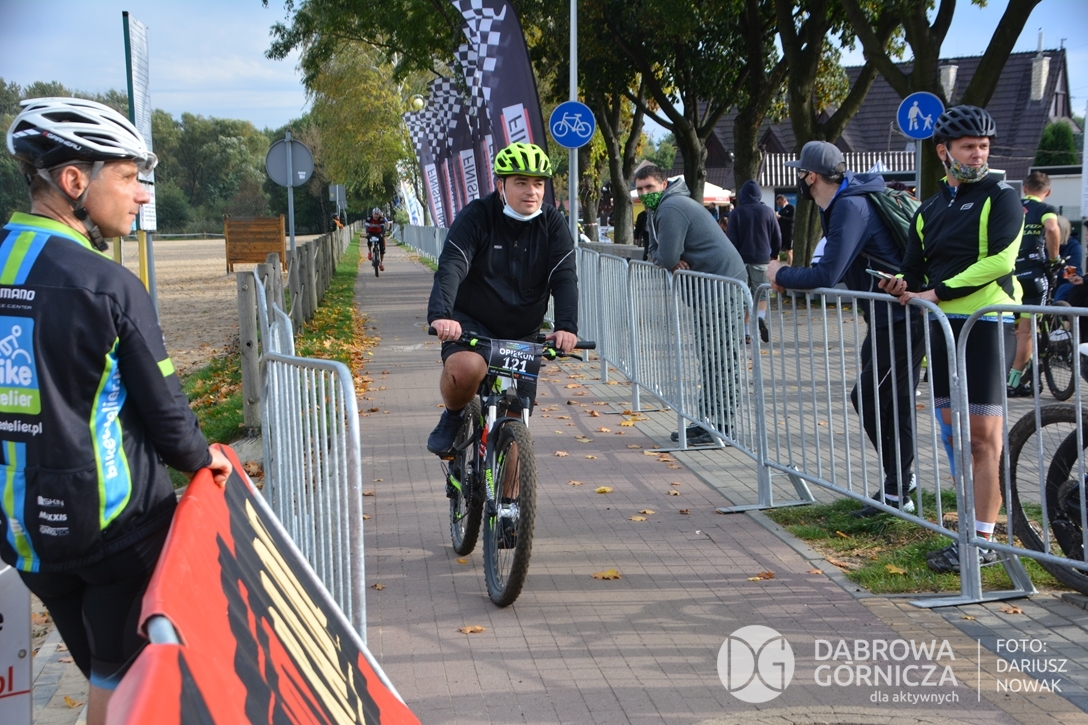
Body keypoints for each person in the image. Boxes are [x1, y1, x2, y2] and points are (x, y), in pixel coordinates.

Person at [3, 97, 232, 724]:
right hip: (115, 531)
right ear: (75, 181)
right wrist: (205, 458)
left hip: (24, 534)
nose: (141, 195)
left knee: (98, 672)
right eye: (128, 177)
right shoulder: (107, 284)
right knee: (121, 682)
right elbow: (169, 419)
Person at [880, 105, 1023, 574]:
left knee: (983, 439)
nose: (978, 154)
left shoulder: (1002, 197)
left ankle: (982, 543)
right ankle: (969, 533)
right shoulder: (928, 209)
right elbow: (914, 269)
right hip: (943, 327)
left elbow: (1000, 262)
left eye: (983, 146)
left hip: (986, 322)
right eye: (968, 147)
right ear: (944, 152)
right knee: (955, 437)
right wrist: (900, 284)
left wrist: (936, 293)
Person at [766, 141, 924, 517]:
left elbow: (826, 274)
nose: (799, 180)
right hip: (888, 319)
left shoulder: (849, 207)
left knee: (869, 398)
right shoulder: (843, 203)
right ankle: (901, 485)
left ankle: (899, 486)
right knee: (893, 402)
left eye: (800, 173)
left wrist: (780, 273)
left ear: (811, 177)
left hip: (902, 320)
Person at [426, 142, 578, 458]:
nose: (531, 191)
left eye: (538, 184)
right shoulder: (478, 216)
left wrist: (566, 326)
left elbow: (564, 277)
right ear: (500, 186)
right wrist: (442, 314)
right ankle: (453, 416)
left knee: (516, 432)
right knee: (465, 368)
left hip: (522, 332)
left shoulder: (552, 224)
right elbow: (452, 264)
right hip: (473, 325)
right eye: (521, 182)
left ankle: (510, 491)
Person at [633, 164, 747, 446]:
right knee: (709, 357)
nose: (645, 193)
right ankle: (707, 420)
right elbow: (655, 252)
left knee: (719, 358)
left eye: (650, 187)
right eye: (640, 189)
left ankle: (721, 425)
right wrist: (665, 258)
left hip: (720, 288)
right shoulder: (659, 210)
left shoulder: (671, 208)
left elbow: (667, 256)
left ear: (663, 184)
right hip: (710, 289)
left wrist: (667, 259)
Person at [1007, 171, 1062, 396]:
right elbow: (1052, 228)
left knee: (1011, 328)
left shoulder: (1011, 207)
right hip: (1033, 274)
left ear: (1025, 189)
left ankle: (1004, 372)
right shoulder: (1045, 209)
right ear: (1047, 192)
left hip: (1009, 274)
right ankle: (1014, 382)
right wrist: (1054, 259)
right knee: (1027, 331)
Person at [726, 180, 781, 343]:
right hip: (761, 259)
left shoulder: (736, 213)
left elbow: (731, 239)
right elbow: (777, 237)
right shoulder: (768, 212)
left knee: (742, 295)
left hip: (740, 261)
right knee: (762, 293)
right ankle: (760, 317)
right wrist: (774, 254)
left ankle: (745, 332)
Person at [775, 194, 795, 264]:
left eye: (780, 203)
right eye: (778, 203)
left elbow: (792, 219)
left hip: (789, 233)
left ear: (784, 201)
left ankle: (790, 265)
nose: (779, 205)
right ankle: (777, 265)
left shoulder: (791, 208)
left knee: (789, 250)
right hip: (781, 233)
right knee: (777, 250)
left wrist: (780, 217)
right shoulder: (781, 210)